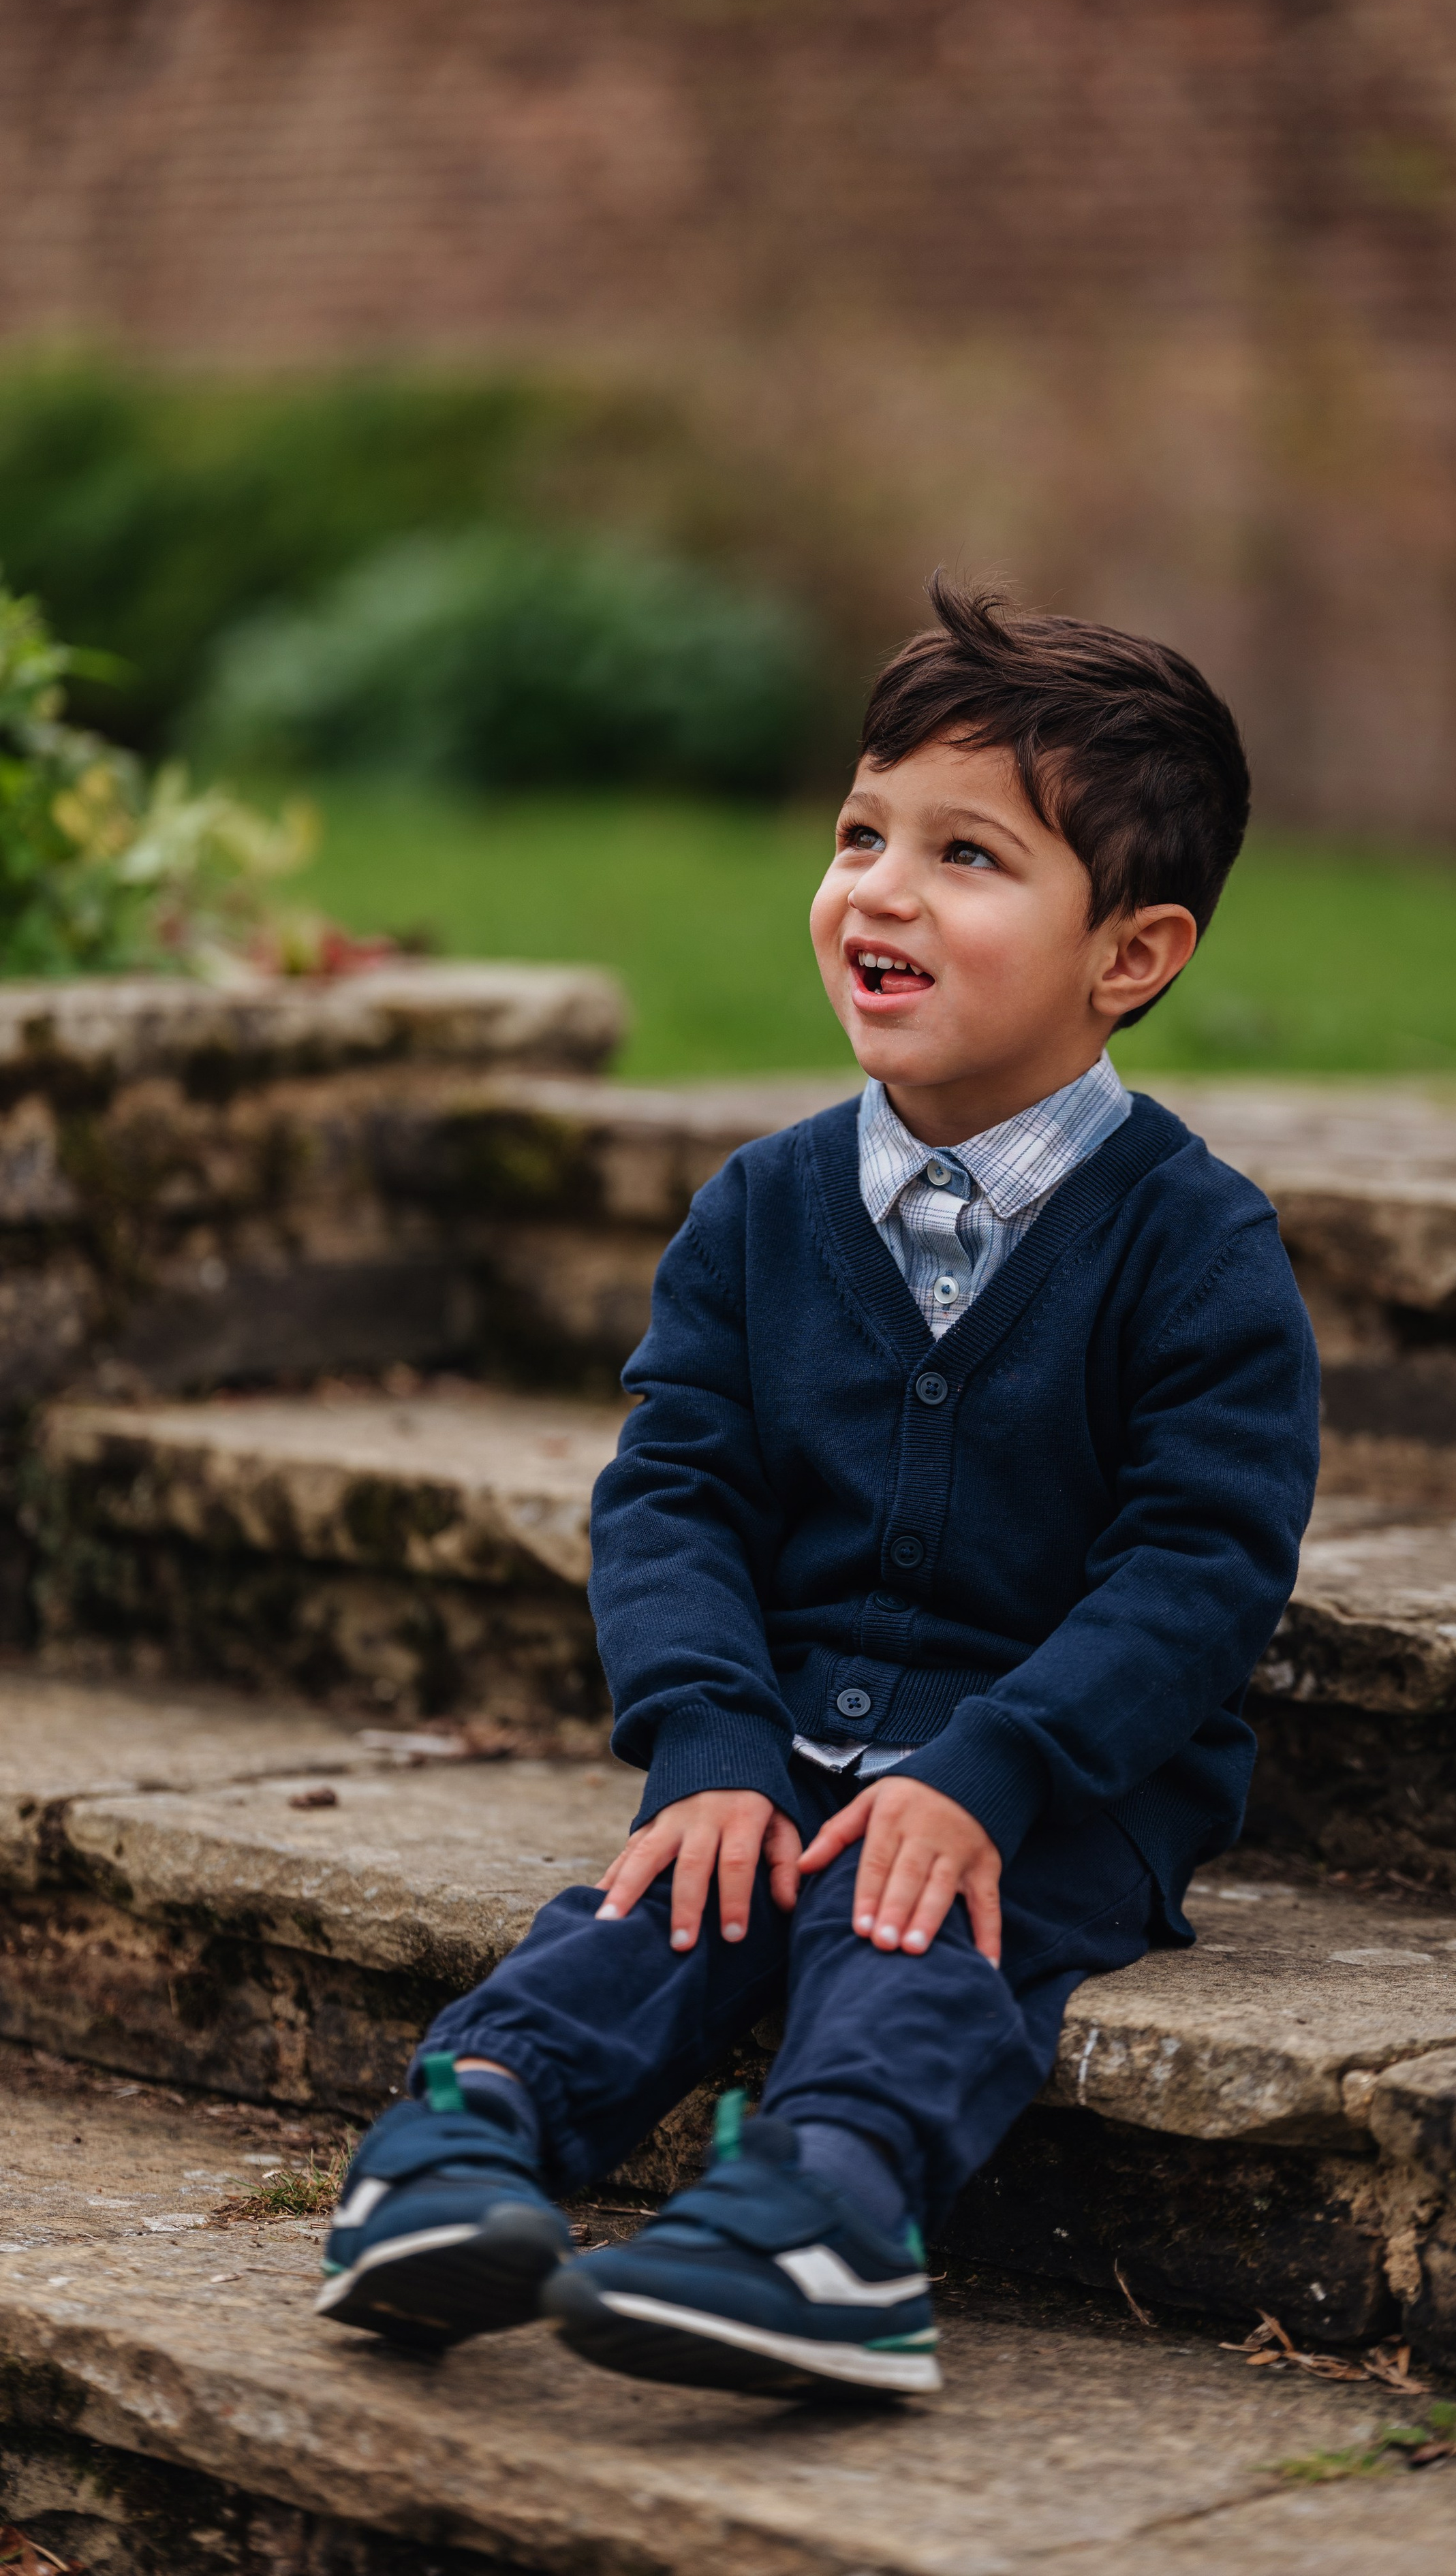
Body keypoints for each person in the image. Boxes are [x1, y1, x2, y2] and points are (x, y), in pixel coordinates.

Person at [313, 574, 1319, 2399]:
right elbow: (675, 1492)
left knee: (903, 1927)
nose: (881, 888)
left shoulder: (1194, 1246)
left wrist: (995, 1772)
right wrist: (709, 1739)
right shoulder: (762, 1212)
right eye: (863, 831)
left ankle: (825, 2218)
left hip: (1058, 1772)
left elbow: (1203, 1561)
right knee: (658, 1908)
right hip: (780, 1725)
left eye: (969, 857)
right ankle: (467, 2146)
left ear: (1134, 955)